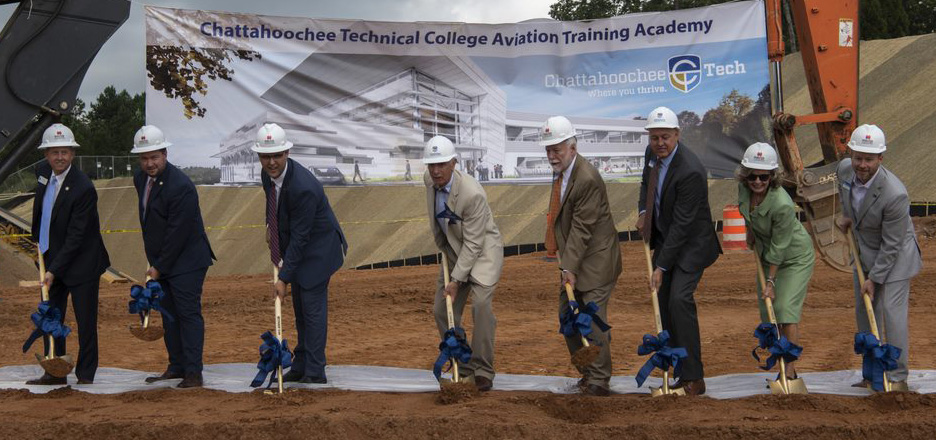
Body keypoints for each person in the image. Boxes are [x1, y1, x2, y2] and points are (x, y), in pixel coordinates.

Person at [254, 123, 347, 384]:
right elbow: (274, 207)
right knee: (300, 309)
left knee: (311, 309)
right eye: (265, 156)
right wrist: (270, 228)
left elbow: (301, 237)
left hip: (319, 250)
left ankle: (316, 371)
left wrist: (283, 278)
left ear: (287, 153)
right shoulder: (267, 176)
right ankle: (301, 362)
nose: (271, 162)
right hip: (301, 246)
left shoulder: (303, 187)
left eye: (277, 156)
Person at [636, 107, 720, 396]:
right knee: (663, 300)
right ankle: (678, 369)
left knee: (679, 300)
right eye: (655, 137)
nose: (660, 142)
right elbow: (646, 185)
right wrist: (644, 211)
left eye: (665, 137)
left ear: (677, 135)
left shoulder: (691, 170)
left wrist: (660, 267)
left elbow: (683, 226)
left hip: (692, 245)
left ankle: (694, 378)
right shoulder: (652, 156)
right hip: (667, 238)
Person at [835, 124, 921, 391]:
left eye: (869, 159)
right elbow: (846, 196)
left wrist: (874, 278)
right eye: (858, 157)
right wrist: (848, 217)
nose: (862, 165)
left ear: (880, 159)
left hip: (895, 258)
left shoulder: (895, 194)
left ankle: (897, 379)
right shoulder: (844, 170)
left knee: (890, 314)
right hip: (864, 251)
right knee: (865, 312)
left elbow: (892, 244)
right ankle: (871, 375)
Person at [541, 116, 621, 397]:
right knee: (567, 315)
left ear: (572, 148)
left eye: (557, 149)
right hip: (576, 258)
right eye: (549, 149)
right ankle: (588, 373)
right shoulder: (563, 172)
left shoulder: (586, 178)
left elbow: (582, 229)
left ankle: (599, 381)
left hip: (597, 260)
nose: (552, 155)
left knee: (592, 318)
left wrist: (569, 268)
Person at [26, 123, 110, 386]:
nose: (59, 157)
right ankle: (55, 371)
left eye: (65, 152)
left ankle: (85, 375)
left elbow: (76, 237)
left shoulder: (83, 188)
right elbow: (40, 210)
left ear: (72, 154)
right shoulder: (42, 172)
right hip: (51, 260)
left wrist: (53, 270)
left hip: (82, 263)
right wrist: (38, 244)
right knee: (51, 318)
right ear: (46, 155)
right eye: (54, 152)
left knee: (86, 322)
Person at [133, 125, 215, 389]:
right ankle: (176, 365)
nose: (150, 163)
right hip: (164, 260)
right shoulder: (140, 179)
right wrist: (155, 262)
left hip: (188, 261)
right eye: (145, 158)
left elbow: (177, 234)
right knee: (168, 314)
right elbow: (152, 223)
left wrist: (158, 268)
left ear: (165, 154)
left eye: (154, 157)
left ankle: (193, 372)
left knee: (187, 313)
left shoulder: (181, 186)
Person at [423, 136, 502, 392]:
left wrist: (456, 280)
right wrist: (449, 261)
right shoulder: (429, 181)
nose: (436, 170)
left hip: (482, 254)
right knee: (441, 309)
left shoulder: (472, 193)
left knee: (480, 307)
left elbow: (475, 244)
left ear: (454, 163)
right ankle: (464, 367)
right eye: (431, 165)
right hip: (454, 252)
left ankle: (483, 371)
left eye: (442, 164)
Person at [737, 142, 815, 379]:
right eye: (752, 176)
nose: (757, 181)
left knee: (783, 309)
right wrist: (750, 231)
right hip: (766, 254)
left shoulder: (781, 204)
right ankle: (780, 359)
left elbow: (780, 246)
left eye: (764, 176)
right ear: (745, 175)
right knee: (769, 314)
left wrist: (770, 282)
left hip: (793, 257)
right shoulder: (743, 190)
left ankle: (789, 370)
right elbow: (747, 213)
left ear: (772, 176)